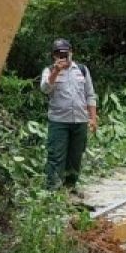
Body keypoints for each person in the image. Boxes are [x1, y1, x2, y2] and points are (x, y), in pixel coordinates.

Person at [39, 38, 98, 191]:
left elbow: (90, 95)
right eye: (59, 53)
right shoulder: (49, 70)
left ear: (71, 52)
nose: (63, 56)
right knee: (56, 156)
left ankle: (70, 187)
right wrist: (56, 71)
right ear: (54, 55)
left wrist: (92, 118)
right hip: (59, 122)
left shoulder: (82, 69)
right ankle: (54, 190)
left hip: (80, 121)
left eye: (65, 52)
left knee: (76, 156)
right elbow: (45, 89)